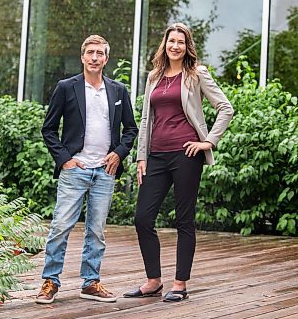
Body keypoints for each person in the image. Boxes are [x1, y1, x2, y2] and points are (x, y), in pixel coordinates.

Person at [123, 23, 233, 302]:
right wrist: (141, 156)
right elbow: (147, 119)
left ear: (187, 47)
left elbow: (225, 108)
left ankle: (180, 284)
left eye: (181, 42)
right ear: (165, 44)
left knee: (184, 219)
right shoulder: (153, 77)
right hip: (156, 156)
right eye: (171, 41)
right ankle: (153, 280)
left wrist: (208, 141)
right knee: (142, 218)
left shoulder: (197, 74)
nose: (175, 46)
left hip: (186, 155)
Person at [36, 34, 138, 304]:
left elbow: (131, 129)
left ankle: (90, 283)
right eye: (90, 52)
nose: (94, 57)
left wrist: (118, 154)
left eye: (100, 53)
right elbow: (48, 129)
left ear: (106, 59)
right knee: (60, 226)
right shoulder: (66, 87)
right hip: (75, 170)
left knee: (97, 230)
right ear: (82, 56)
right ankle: (50, 282)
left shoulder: (118, 91)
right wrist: (65, 159)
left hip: (105, 172)